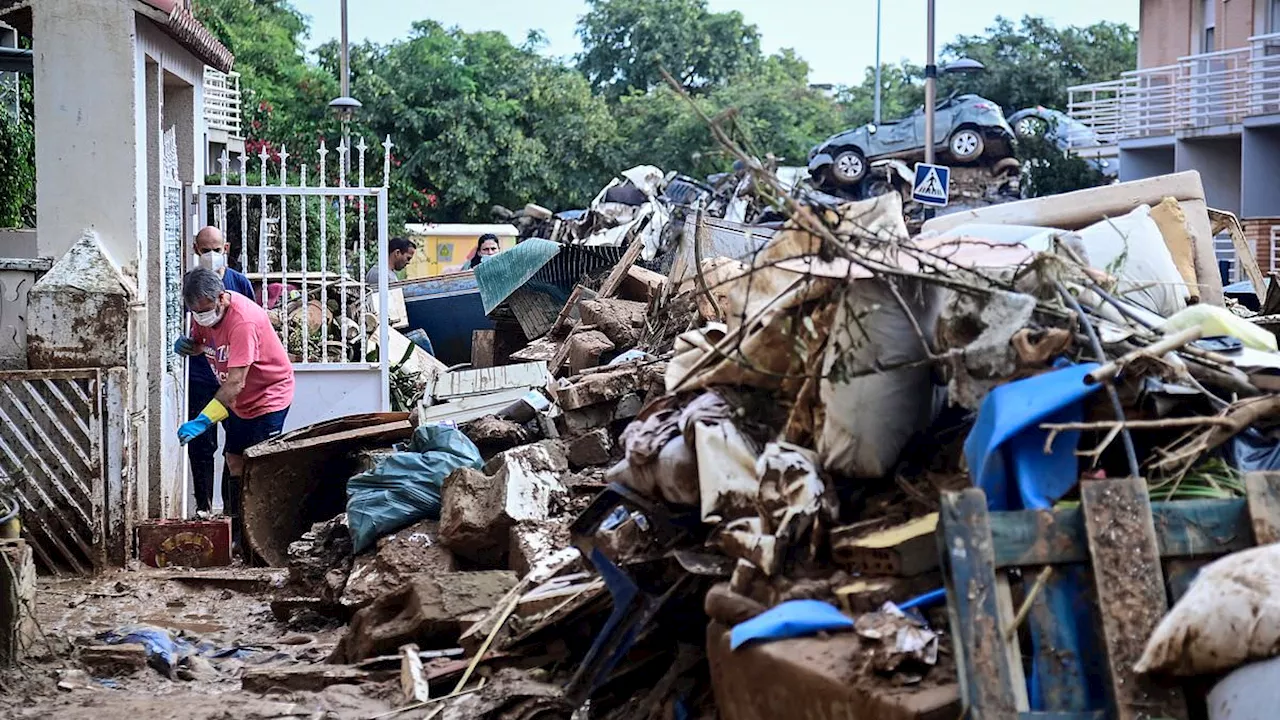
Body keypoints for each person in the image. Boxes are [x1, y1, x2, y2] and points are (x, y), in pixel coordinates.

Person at [174, 268, 295, 551]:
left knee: (259, 464)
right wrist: (191, 347)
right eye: (195, 311)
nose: (200, 317)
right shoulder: (203, 315)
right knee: (234, 460)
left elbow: (236, 383)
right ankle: (239, 534)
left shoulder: (244, 321)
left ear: (221, 297)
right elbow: (206, 346)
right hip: (240, 401)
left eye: (204, 310)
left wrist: (203, 420)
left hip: (268, 395)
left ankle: (265, 538)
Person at [187, 226, 255, 518]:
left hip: (232, 381)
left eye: (216, 249)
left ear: (226, 248)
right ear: (195, 249)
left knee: (235, 450)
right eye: (205, 250)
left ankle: (232, 513)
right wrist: (189, 344)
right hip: (203, 376)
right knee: (202, 445)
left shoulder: (239, 284)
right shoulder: (191, 285)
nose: (211, 255)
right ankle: (203, 508)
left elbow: (255, 327)